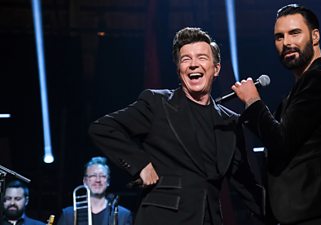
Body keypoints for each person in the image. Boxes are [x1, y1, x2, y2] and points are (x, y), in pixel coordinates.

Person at [88, 27, 264, 225]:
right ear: (179, 69)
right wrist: (140, 165)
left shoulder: (230, 121)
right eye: (185, 59)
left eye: (202, 57)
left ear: (216, 69)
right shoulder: (157, 103)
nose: (193, 65)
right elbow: (103, 128)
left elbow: (247, 187)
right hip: (163, 218)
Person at [231, 4, 321, 225]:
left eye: (294, 33)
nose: (287, 43)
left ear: (315, 36)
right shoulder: (301, 87)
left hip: (319, 211)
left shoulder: (320, 79)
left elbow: (281, 141)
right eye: (279, 37)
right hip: (305, 211)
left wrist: (253, 101)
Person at [57, 156, 133, 225]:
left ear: (108, 182)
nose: (98, 180)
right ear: (85, 181)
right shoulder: (68, 214)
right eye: (93, 176)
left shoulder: (123, 215)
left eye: (102, 176)